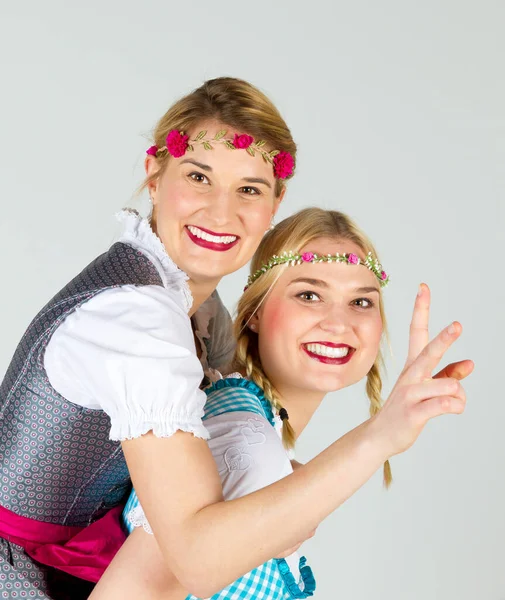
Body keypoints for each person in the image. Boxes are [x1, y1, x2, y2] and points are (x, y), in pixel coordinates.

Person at [0, 76, 472, 599]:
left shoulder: (202, 313)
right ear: (154, 175)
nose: (222, 213)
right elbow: (201, 558)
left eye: (248, 188)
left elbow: (246, 439)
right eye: (199, 177)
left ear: (274, 202)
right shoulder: (138, 318)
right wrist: (380, 435)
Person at [90, 208, 473, 599]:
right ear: (254, 311)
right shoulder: (246, 439)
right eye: (309, 295)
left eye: (361, 302)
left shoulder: (256, 430)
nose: (339, 323)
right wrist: (380, 436)